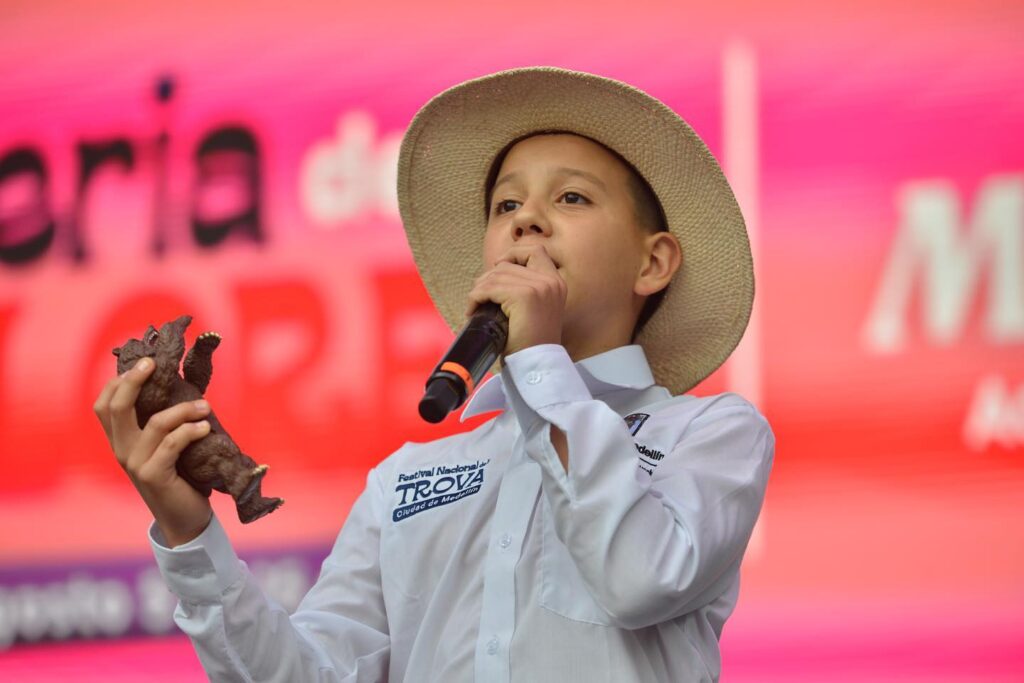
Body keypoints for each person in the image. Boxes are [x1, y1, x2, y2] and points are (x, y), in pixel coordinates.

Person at [93, 66, 774, 682]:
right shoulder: (402, 480)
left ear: (653, 263)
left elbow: (637, 578)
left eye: (570, 198)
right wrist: (190, 537)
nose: (527, 219)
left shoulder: (711, 434)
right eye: (506, 206)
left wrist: (539, 359)